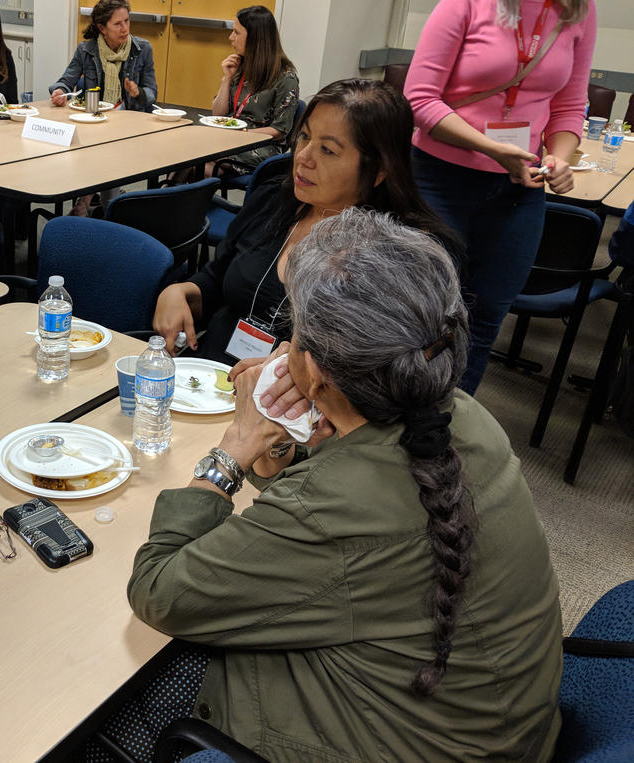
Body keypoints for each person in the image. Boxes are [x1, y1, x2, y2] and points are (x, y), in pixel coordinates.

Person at [122, 209, 563, 761]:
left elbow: (160, 593)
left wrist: (236, 445)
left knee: (121, 691)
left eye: (296, 331)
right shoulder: (462, 416)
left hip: (388, 741)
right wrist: (287, 439)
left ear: (318, 368)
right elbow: (336, 508)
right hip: (491, 727)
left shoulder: (331, 506)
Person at [152, 78, 458, 365]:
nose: (304, 157)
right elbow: (218, 280)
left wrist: (290, 371)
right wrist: (181, 291)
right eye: (305, 137)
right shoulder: (274, 200)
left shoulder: (395, 257)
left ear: (378, 170)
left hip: (298, 409)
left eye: (328, 150)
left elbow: (385, 374)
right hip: (209, 377)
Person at [405, 0, 596, 393]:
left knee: (485, 318)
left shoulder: (578, 10)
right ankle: (396, 421)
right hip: (439, 179)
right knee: (422, 313)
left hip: (518, 190)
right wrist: (492, 150)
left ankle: (449, 425)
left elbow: (569, 106)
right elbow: (420, 98)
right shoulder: (466, 4)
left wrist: (558, 159)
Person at [209, 5, 299, 177]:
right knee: (191, 155)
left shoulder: (285, 78)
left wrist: (240, 133)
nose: (230, 37)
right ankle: (174, 196)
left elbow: (279, 131)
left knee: (202, 157)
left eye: (236, 32)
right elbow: (217, 114)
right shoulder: (240, 67)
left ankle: (169, 196)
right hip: (231, 139)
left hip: (262, 145)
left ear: (255, 38)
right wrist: (226, 79)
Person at [48, 0, 157, 113]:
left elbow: (152, 93)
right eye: (117, 24)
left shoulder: (143, 49)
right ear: (102, 28)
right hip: (96, 116)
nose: (125, 28)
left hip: (131, 118)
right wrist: (60, 91)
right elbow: (66, 81)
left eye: (126, 21)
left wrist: (139, 93)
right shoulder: (86, 50)